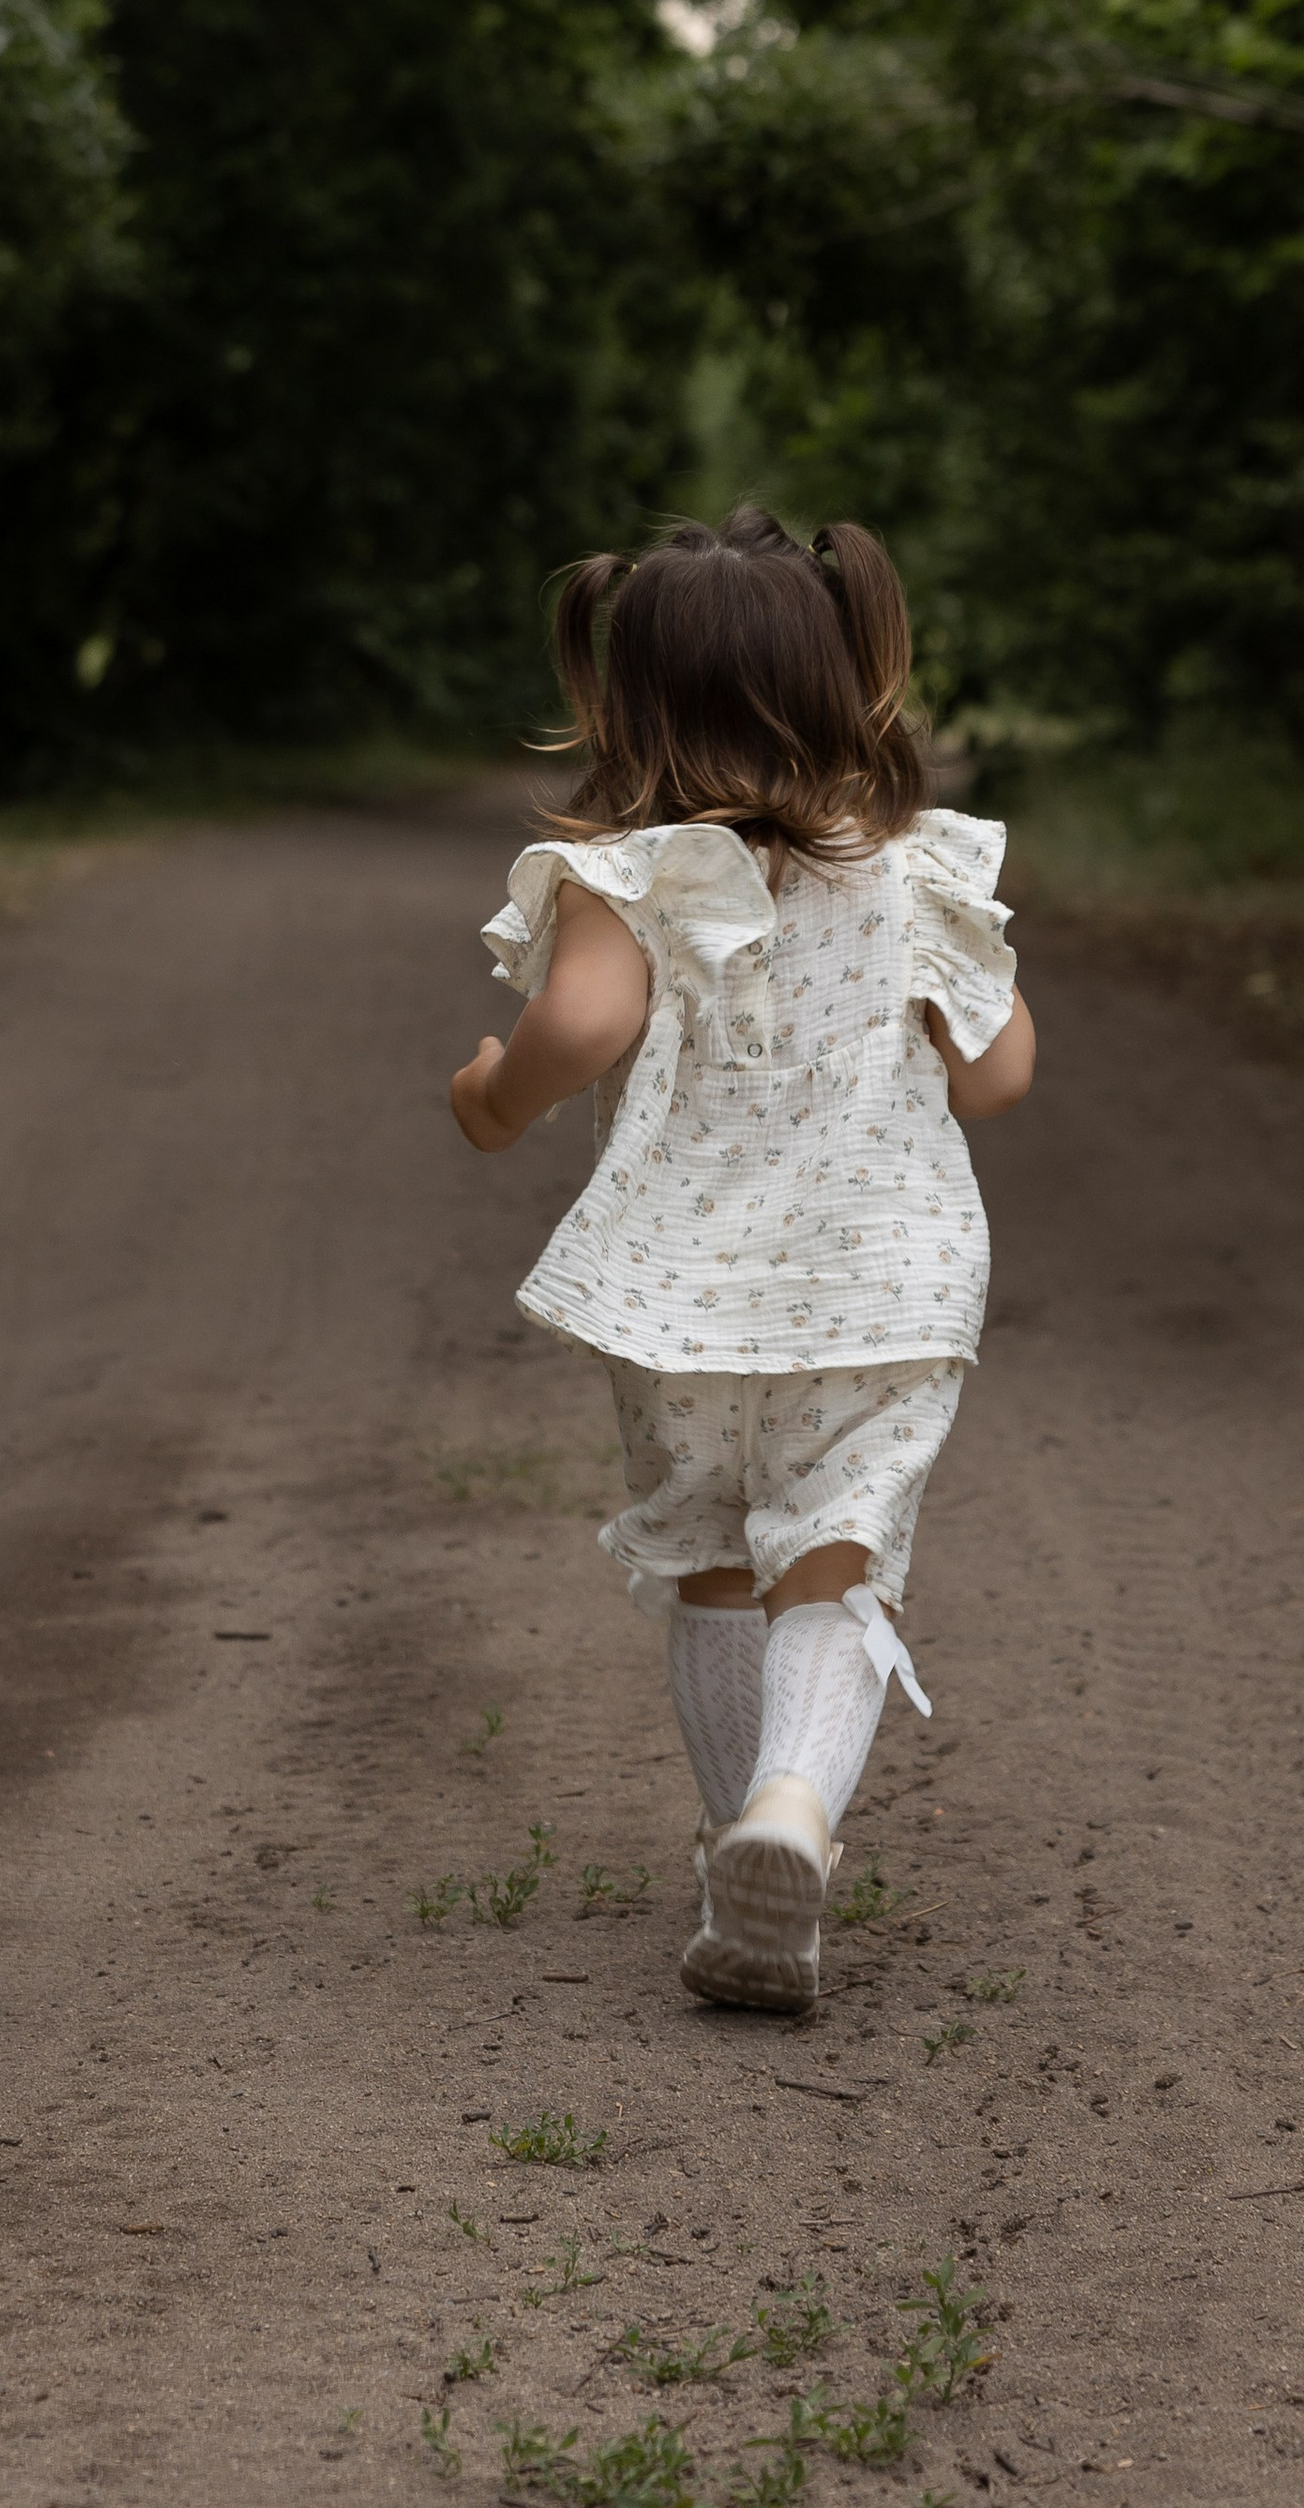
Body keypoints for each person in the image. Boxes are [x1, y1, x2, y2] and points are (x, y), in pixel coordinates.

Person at [448, 507, 1035, 2014]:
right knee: (834, 1554)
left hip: (686, 1295)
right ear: (849, 682)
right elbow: (999, 1076)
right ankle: (790, 1819)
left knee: (714, 1550)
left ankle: (741, 1839)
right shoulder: (916, 870)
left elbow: (577, 1030)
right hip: (883, 1286)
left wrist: (489, 1099)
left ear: (624, 702)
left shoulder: (629, 874)